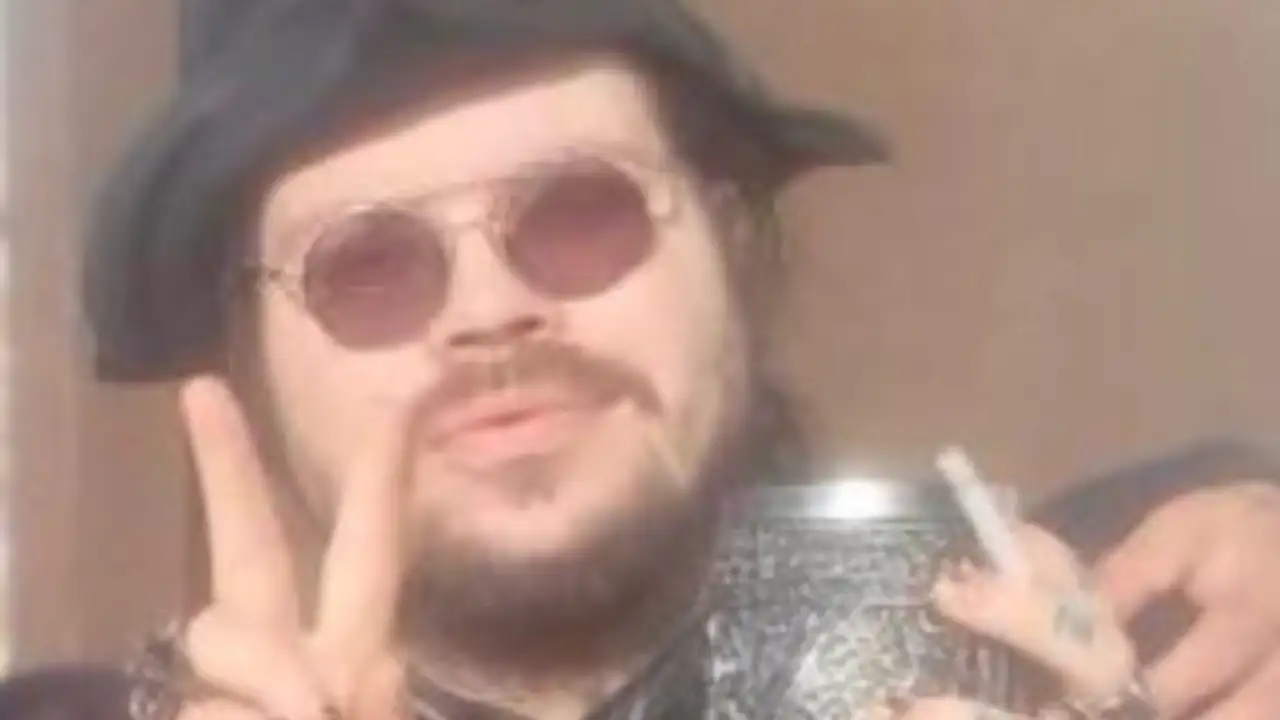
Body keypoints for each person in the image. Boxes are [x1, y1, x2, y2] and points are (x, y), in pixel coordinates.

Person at [5, 0, 1280, 718]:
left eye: (580, 213)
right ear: (256, 363)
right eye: (368, 264)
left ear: (733, 251)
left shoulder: (1164, 622)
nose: (491, 310)